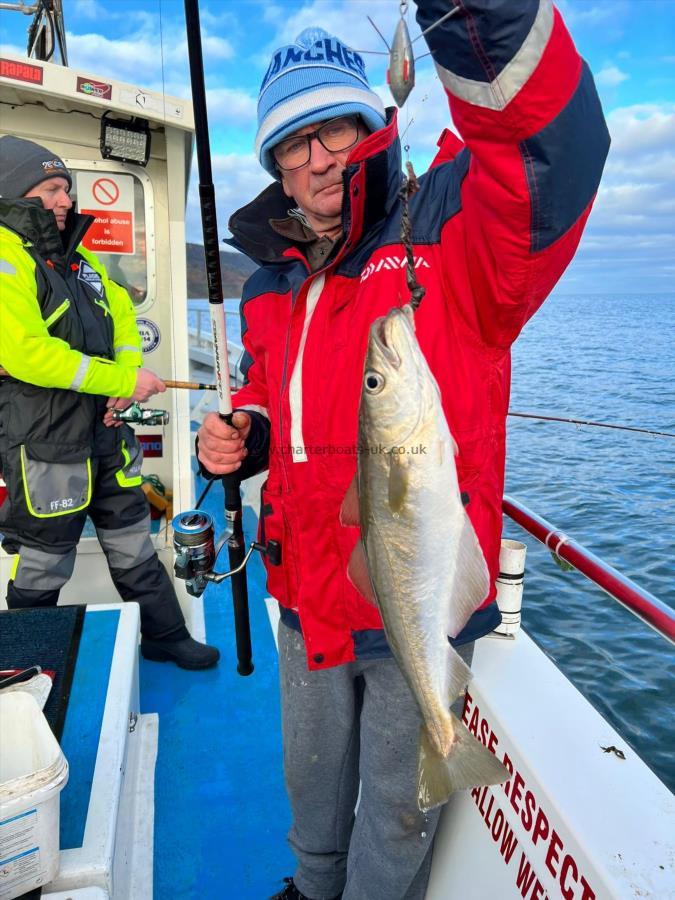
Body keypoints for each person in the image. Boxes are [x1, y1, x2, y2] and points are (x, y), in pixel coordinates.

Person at [197, 2, 610, 897]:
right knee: (308, 783)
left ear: (370, 125)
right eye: (291, 143)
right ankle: (312, 887)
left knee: (395, 798)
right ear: (273, 164)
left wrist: (477, 18)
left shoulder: (449, 231)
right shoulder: (270, 281)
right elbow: (273, 387)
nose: (318, 157)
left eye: (335, 127)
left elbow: (549, 156)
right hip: (305, 590)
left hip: (406, 607)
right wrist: (246, 432)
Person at [0, 135, 219, 670]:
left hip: (105, 432)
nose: (65, 200)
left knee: (133, 541)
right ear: (16, 190)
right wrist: (114, 378)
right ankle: (21, 661)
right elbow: (26, 354)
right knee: (45, 558)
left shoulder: (80, 262)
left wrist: (123, 379)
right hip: (45, 442)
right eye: (53, 188)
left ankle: (165, 635)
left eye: (66, 189)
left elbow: (120, 311)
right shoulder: (6, 257)